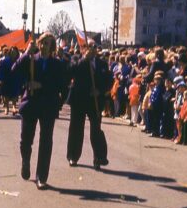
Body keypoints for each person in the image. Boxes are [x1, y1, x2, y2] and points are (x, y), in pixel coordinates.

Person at [12, 33, 65, 190]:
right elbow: (14, 71)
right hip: (31, 104)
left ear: (52, 47)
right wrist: (26, 53)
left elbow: (61, 86)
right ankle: (26, 161)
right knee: (26, 140)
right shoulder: (30, 59)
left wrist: (41, 85)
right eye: (42, 42)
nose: (44, 46)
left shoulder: (57, 64)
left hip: (48, 106)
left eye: (48, 43)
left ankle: (41, 176)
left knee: (46, 141)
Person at [66, 41, 112, 170]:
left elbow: (109, 80)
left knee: (96, 130)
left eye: (93, 47)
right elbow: (71, 72)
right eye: (87, 46)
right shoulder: (76, 59)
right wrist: (84, 59)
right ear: (82, 48)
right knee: (76, 128)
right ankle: (73, 156)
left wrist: (100, 90)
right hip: (79, 100)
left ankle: (99, 158)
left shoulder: (102, 63)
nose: (90, 49)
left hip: (95, 101)